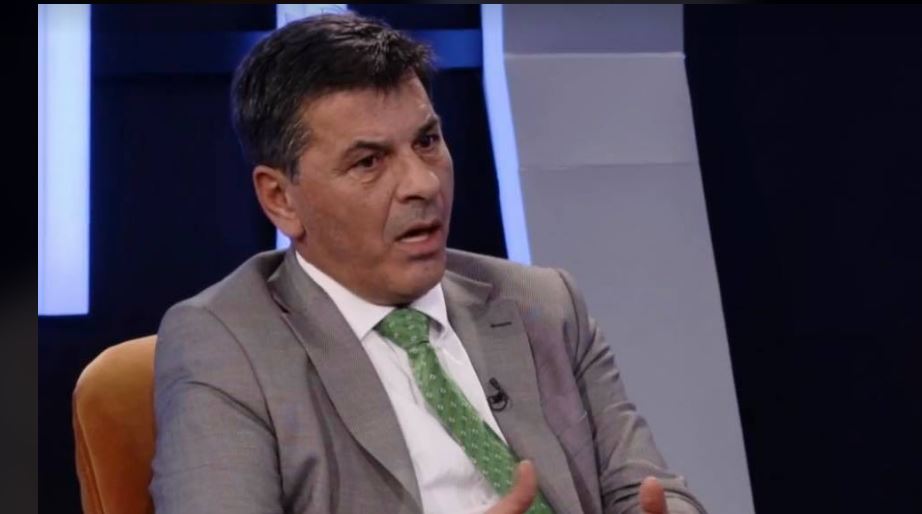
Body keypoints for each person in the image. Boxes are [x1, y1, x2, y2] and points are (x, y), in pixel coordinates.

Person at [150, 13, 707, 514]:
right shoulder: (227, 344)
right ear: (281, 199)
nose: (422, 184)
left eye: (427, 142)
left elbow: (652, 489)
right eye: (369, 162)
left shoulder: (543, 304)